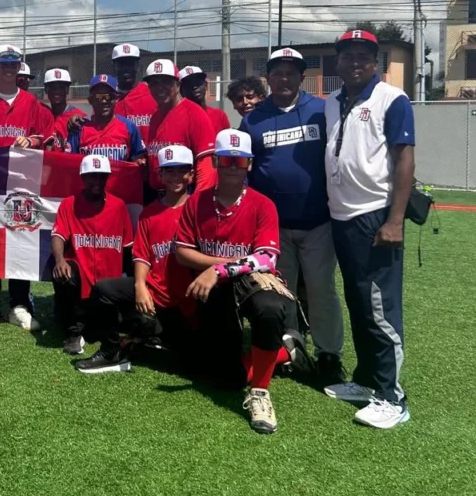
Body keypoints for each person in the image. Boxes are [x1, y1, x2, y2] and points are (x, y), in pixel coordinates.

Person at [175, 129, 301, 435]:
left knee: (270, 309)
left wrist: (218, 271)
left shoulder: (262, 204)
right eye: (227, 159)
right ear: (216, 161)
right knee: (224, 378)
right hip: (213, 289)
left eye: (240, 161)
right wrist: (218, 267)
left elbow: (267, 258)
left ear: (250, 164)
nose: (233, 166)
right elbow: (181, 252)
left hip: (250, 281)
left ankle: (260, 392)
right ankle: (284, 350)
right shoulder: (197, 202)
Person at [323, 29, 415, 429]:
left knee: (380, 307)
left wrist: (395, 220)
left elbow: (404, 160)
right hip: (340, 217)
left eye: (363, 56)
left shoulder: (392, 99)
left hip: (375, 216)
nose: (355, 62)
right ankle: (365, 380)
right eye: (348, 56)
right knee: (358, 302)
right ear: (338, 62)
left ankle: (392, 396)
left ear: (375, 62)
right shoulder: (331, 101)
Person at [241, 47, 345, 386]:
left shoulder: (321, 110)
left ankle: (329, 355)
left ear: (302, 77)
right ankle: (289, 349)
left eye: (291, 72)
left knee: (320, 291)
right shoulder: (253, 118)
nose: (284, 78)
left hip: (318, 222)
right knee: (281, 293)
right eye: (277, 73)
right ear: (268, 79)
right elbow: (245, 169)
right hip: (275, 228)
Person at [76, 145, 195, 375]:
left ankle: (149, 339)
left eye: (181, 170)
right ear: (159, 175)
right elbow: (141, 255)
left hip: (188, 301)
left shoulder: (200, 208)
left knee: (191, 366)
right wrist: (140, 286)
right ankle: (111, 351)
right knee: (104, 289)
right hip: (155, 294)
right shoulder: (149, 213)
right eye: (169, 171)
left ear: (191, 174)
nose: (175, 177)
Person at [0, 44, 55, 332]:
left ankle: (19, 304)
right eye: (4, 64)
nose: (8, 68)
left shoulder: (32, 103)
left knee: (23, 240)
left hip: (23, 185)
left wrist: (32, 141)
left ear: (19, 67)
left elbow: (48, 137)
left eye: (13, 64)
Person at [50, 155, 135, 356]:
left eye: (101, 177)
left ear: (107, 178)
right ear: (82, 178)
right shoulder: (69, 204)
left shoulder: (119, 206)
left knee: (117, 324)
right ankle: (73, 332)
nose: (96, 182)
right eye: (91, 177)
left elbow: (128, 248)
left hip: (107, 290)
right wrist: (60, 260)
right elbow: (58, 235)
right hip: (80, 282)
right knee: (65, 274)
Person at [144, 59, 215, 194]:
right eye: (154, 83)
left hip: (185, 194)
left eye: (166, 82)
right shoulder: (155, 117)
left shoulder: (193, 113)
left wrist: (198, 201)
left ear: (177, 85)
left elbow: (206, 163)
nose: (160, 88)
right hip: (158, 196)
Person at [65, 74, 145, 163]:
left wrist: (139, 162)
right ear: (90, 100)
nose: (104, 101)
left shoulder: (129, 127)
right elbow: (69, 163)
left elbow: (139, 158)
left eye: (109, 96)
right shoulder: (79, 128)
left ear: (116, 99)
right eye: (99, 97)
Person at [112, 43, 158, 143]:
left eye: (130, 64)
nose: (126, 68)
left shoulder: (153, 93)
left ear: (137, 66)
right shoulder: (107, 99)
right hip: (118, 158)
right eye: (121, 64)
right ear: (114, 67)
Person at [179, 66, 231, 133]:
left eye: (197, 82)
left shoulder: (220, 116)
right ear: (181, 91)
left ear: (206, 85)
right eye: (188, 84)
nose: (194, 87)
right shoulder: (178, 118)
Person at [44, 68, 86, 148]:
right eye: (53, 88)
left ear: (67, 90)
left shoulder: (80, 118)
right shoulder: (43, 115)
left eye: (61, 87)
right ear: (46, 90)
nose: (57, 91)